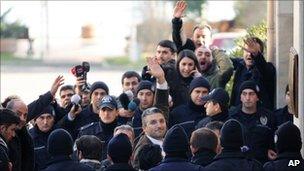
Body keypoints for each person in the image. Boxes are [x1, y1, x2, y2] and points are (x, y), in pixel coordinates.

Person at [230, 81, 277, 164]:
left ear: (257, 97)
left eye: (251, 94)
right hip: (238, 163)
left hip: (261, 163)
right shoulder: (232, 117)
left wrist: (271, 149)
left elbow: (273, 139)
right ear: (240, 97)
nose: (248, 98)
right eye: (244, 94)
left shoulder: (268, 117)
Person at [230, 37, 276, 110]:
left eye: (253, 52)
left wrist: (256, 55)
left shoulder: (267, 68)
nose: (250, 54)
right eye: (247, 51)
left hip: (259, 117)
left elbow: (264, 68)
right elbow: (227, 61)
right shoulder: (241, 66)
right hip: (238, 115)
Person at [77, 95, 120, 160]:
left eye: (110, 110)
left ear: (117, 112)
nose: (106, 113)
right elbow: (76, 156)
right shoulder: (86, 132)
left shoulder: (123, 131)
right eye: (103, 110)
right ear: (99, 113)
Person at [142, 40, 182, 108]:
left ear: (173, 55)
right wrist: (148, 68)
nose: (160, 55)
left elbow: (167, 68)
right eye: (158, 52)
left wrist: (152, 67)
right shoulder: (156, 67)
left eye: (165, 52)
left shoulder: (173, 68)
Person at [28, 105, 57, 170]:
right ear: (35, 120)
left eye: (49, 117)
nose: (45, 122)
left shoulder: (60, 135)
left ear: (53, 119)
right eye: (41, 118)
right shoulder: (29, 138)